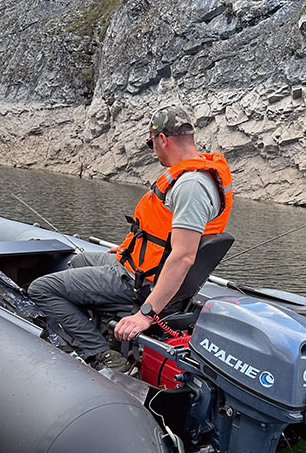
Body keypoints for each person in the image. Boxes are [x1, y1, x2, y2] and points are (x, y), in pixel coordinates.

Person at [28, 104, 233, 370]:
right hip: (137, 266)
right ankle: (107, 333)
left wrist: (146, 315)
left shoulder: (191, 186)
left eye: (151, 144)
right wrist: (130, 250)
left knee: (42, 288)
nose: (154, 151)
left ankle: (102, 355)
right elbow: (162, 237)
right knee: (78, 261)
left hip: (139, 284)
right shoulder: (196, 176)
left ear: (162, 139)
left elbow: (183, 256)